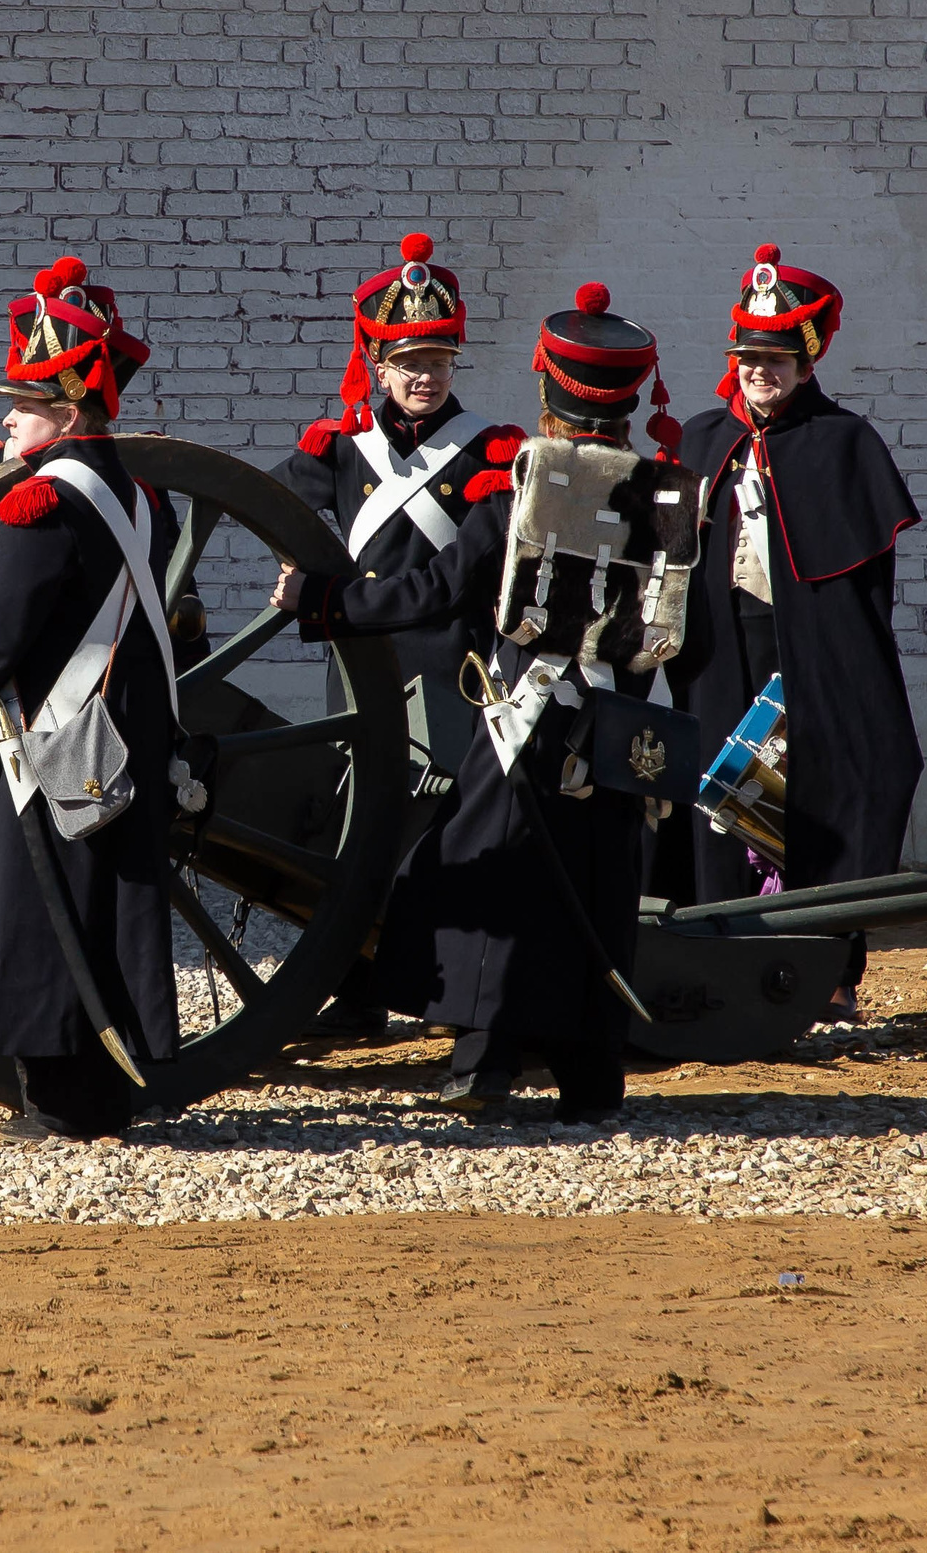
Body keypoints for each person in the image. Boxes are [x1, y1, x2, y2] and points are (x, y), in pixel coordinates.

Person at [273, 283, 688, 1123]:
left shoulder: (522, 483)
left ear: (549, 387)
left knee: (490, 878)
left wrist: (328, 605)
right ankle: (589, 1076)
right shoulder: (673, 494)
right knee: (598, 887)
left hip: (525, 718)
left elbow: (441, 587)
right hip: (618, 729)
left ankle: (484, 1061)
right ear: (631, 395)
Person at [0, 256, 185, 1141]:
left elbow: (0, 637)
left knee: (34, 913)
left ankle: (56, 1102)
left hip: (46, 742)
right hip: (121, 735)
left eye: (23, 404)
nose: (8, 416)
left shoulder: (41, 504)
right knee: (104, 910)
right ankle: (111, 1089)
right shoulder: (145, 499)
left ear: (63, 414)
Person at [274, 231, 525, 1037]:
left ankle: (448, 992)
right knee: (354, 834)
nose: (425, 377)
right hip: (357, 669)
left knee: (439, 837)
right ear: (378, 366)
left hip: (446, 669)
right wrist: (293, 565)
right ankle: (352, 990)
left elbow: (462, 585)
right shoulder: (343, 448)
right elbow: (265, 501)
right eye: (408, 362)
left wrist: (326, 596)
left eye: (439, 362)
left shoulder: (490, 450)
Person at [663, 244, 921, 1022]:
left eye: (775, 359)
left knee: (819, 792)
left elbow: (865, 586)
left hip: (807, 646)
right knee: (717, 793)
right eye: (747, 357)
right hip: (719, 645)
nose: (758, 371)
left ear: (806, 363)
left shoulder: (846, 442)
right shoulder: (704, 438)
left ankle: (826, 966)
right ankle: (720, 951)